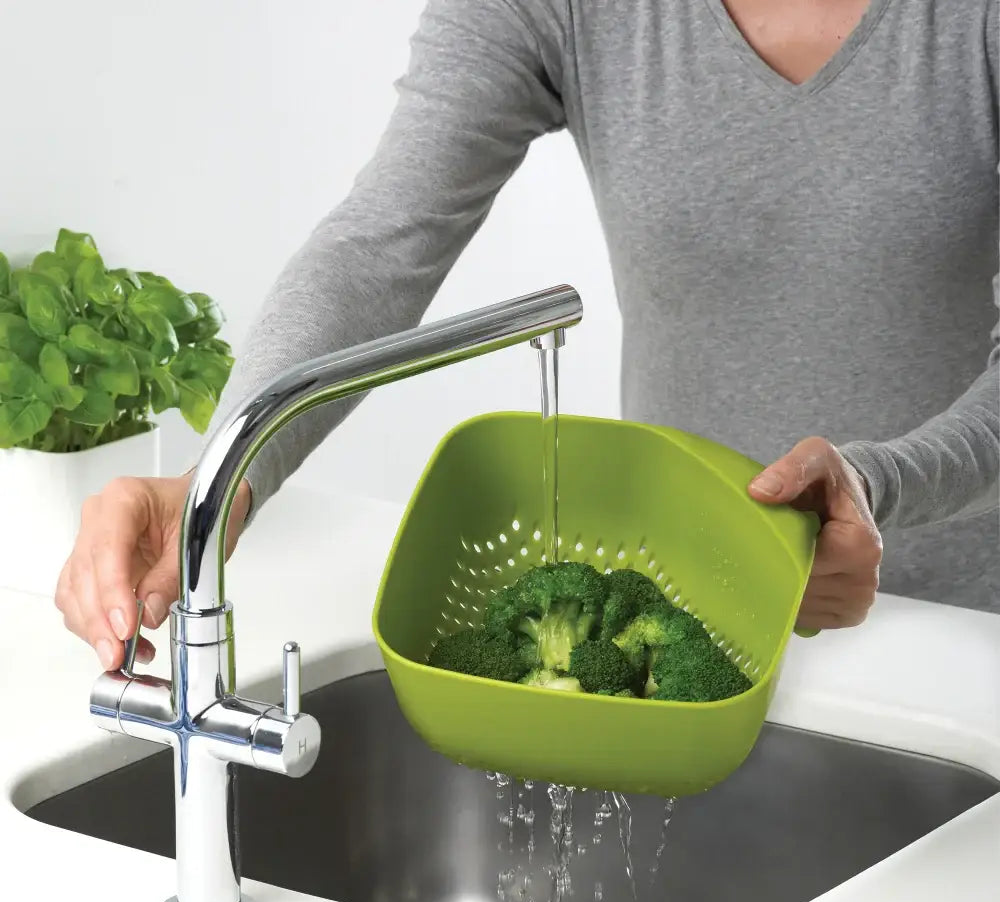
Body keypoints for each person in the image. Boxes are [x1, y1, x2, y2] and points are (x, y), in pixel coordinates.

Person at [56, 0, 998, 672]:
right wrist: (217, 485)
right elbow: (380, 246)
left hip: (963, 639)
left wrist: (880, 486)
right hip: (675, 631)